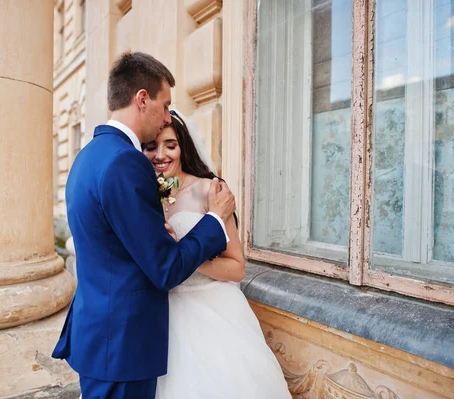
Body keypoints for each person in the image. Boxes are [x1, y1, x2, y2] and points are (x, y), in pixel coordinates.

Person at [51, 52, 236, 399]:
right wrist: (213, 220)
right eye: (165, 105)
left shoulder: (88, 156)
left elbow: (118, 244)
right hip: (122, 345)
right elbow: (164, 269)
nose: (167, 116)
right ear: (141, 99)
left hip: (101, 337)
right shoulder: (126, 162)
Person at [142, 110, 292, 399]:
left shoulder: (210, 190)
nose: (161, 154)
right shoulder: (145, 194)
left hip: (214, 313)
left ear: (183, 147)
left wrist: (186, 256)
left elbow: (237, 267)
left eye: (170, 145)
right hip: (165, 316)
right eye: (152, 146)